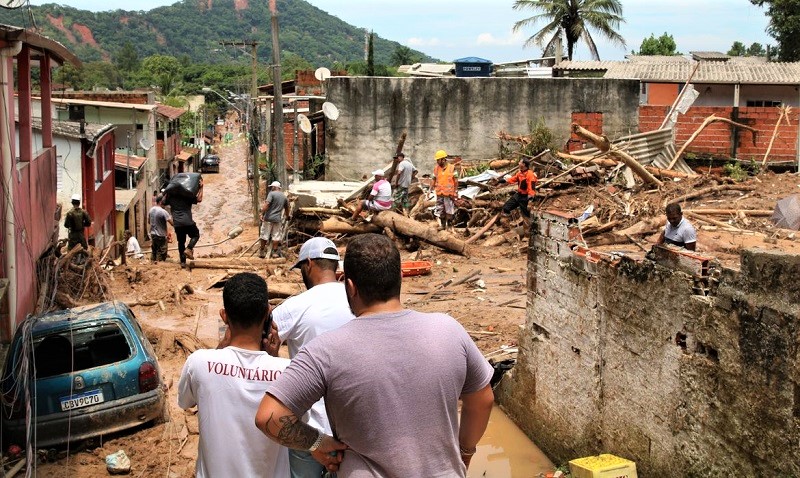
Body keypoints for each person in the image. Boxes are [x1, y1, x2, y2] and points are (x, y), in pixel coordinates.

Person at [256, 234, 494, 477]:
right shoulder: (449, 330)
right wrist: (464, 452)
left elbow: (269, 417)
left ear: (350, 286)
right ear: (400, 278)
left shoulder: (325, 350)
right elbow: (483, 401)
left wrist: (318, 442)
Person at [178, 272, 291, 478]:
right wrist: (273, 359)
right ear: (267, 313)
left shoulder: (199, 362)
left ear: (224, 315)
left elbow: (185, 402)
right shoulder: (287, 372)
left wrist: (219, 349)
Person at [265, 237, 355, 477]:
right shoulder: (357, 300)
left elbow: (259, 342)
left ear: (310, 264)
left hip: (311, 432)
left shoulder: (295, 306)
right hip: (354, 426)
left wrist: (274, 357)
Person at [163, 177, 203, 268]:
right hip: (188, 222)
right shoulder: (187, 196)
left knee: (181, 242)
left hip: (177, 224)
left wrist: (167, 191)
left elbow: (162, 202)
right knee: (196, 235)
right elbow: (199, 199)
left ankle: (183, 262)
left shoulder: (170, 198)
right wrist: (201, 187)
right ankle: (189, 248)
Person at [260, 181, 291, 259]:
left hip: (268, 218)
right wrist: (287, 216)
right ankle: (275, 252)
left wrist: (261, 213)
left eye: (271, 187)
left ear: (274, 187)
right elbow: (287, 208)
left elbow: (267, 204)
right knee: (276, 235)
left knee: (264, 234)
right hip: (277, 219)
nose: (271, 188)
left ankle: (262, 251)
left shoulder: (271, 194)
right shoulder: (284, 196)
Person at [432, 149, 458, 231]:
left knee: (449, 211)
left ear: (443, 159)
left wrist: (455, 191)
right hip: (440, 193)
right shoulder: (436, 169)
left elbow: (456, 180)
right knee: (440, 210)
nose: (437, 161)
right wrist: (429, 190)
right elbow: (433, 179)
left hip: (449, 194)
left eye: (438, 160)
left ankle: (449, 226)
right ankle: (443, 226)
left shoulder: (452, 168)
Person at [148, 195, 173, 262]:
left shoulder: (151, 210)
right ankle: (159, 265)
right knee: (162, 252)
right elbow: (172, 223)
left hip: (153, 234)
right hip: (161, 236)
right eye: (164, 202)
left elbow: (148, 222)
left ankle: (152, 265)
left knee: (154, 251)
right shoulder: (163, 212)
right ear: (160, 202)